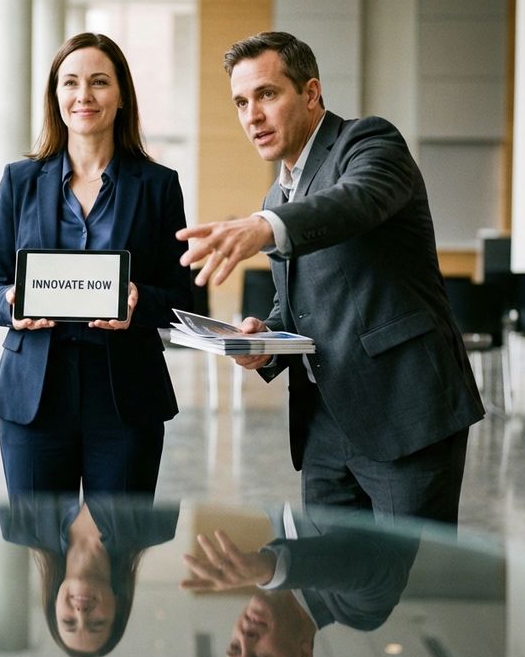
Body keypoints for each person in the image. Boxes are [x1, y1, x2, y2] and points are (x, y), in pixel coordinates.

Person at [176, 31, 484, 525]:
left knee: (412, 590)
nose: (251, 116)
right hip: (323, 423)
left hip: (404, 410)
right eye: (240, 102)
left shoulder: (369, 143)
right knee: (330, 587)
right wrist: (264, 341)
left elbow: (356, 201)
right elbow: (296, 305)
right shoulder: (275, 198)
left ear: (311, 92)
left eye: (267, 94)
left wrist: (264, 229)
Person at [0, 33, 192, 495]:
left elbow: (181, 296)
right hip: (34, 392)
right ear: (56, 97)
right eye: (70, 83)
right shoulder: (19, 181)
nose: (84, 96)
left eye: (99, 82)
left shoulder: (158, 186)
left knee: (118, 550)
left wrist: (140, 300)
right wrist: (11, 303)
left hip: (124, 394)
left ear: (121, 97)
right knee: (38, 549)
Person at [181, 506, 421, 657]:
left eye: (234, 647)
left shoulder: (280, 537)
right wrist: (270, 567)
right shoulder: (357, 610)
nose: (245, 638)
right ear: (304, 655)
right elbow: (372, 568)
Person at [0, 494, 179, 657]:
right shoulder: (156, 526)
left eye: (69, 621)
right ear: (118, 606)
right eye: (97, 623)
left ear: (54, 605)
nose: (81, 613)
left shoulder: (18, 524)